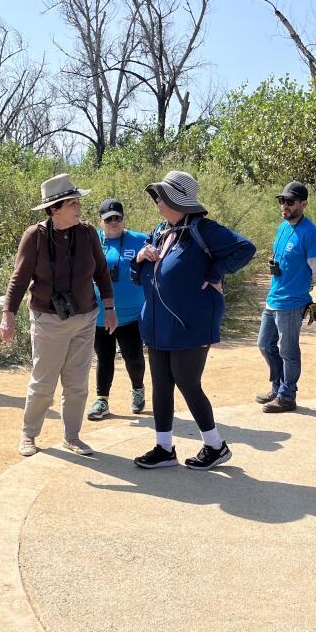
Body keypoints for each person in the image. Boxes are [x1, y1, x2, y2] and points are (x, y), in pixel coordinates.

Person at [131, 171, 256, 470]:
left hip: (191, 324)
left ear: (177, 199)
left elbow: (245, 248)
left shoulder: (205, 230)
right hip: (157, 326)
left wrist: (213, 273)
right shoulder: (160, 231)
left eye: (162, 196)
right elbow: (140, 277)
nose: (157, 202)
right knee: (161, 384)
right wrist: (139, 259)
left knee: (187, 382)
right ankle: (164, 448)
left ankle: (216, 446)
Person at [0, 174, 116, 457]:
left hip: (86, 318)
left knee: (77, 383)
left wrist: (110, 308)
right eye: (73, 203)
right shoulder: (35, 236)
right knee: (43, 382)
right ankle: (28, 435)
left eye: (78, 202)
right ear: (55, 209)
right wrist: (8, 315)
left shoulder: (88, 233)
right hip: (48, 320)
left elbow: (101, 272)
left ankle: (72, 437)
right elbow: (19, 279)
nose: (79, 207)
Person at [255, 181, 316, 413]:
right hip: (273, 298)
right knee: (265, 344)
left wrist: (301, 287)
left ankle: (287, 396)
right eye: (282, 201)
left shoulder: (310, 232)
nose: (284, 205)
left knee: (288, 350)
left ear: (303, 204)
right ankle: (277, 387)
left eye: (290, 201)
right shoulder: (282, 227)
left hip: (292, 302)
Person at [87, 198, 148, 421]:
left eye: (117, 218)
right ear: (100, 222)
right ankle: (101, 400)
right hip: (100, 315)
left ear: (123, 219)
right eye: (108, 219)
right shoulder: (92, 241)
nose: (113, 222)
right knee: (105, 357)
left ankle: (138, 390)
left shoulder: (141, 240)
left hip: (131, 315)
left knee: (133, 357)